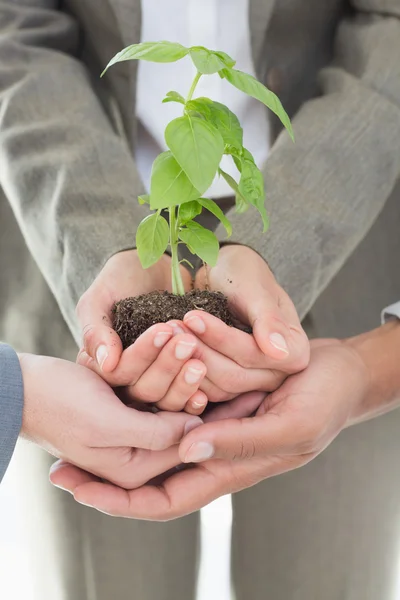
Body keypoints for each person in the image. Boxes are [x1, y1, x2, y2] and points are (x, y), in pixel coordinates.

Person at [1, 1, 400, 599]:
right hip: (79, 252)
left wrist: (276, 247)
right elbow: (15, 28)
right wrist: (106, 248)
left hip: (337, 240)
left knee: (323, 575)